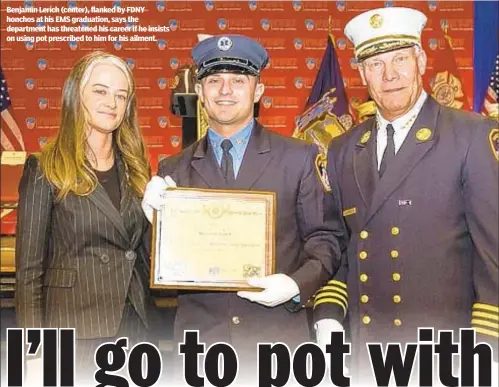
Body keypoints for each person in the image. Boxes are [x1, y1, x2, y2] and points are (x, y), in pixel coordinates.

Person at [141, 34, 345, 384]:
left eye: (238, 81)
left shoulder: (299, 159)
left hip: (277, 344)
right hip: (200, 350)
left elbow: (326, 240)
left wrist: (295, 285)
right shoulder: (172, 169)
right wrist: (154, 224)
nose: (225, 90)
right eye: (214, 81)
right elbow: (158, 273)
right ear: (201, 93)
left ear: (259, 91)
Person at [313, 7, 499, 385]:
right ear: (362, 73)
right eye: (376, 64)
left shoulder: (470, 136)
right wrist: (330, 312)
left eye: (400, 59)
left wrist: (489, 346)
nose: (390, 75)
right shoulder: (343, 150)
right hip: (368, 354)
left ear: (421, 60)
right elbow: (340, 245)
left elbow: (493, 255)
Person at [15, 51, 157, 384]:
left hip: (134, 324)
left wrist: (161, 220)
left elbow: (145, 256)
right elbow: (29, 272)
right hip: (73, 333)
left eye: (121, 95)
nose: (112, 102)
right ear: (77, 93)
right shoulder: (46, 167)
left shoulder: (137, 169)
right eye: (101, 91)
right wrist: (35, 351)